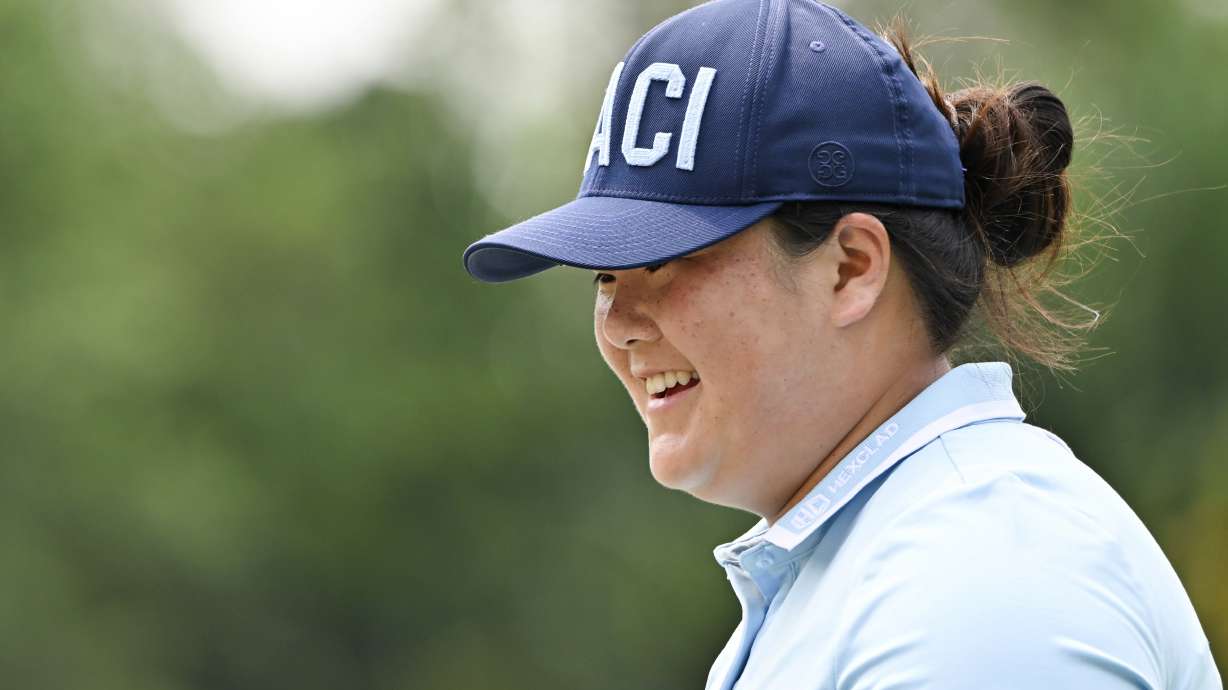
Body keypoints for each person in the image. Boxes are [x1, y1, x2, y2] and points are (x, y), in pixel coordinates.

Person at [461, 0, 1224, 687]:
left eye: (664, 259)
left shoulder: (977, 578)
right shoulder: (892, 554)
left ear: (851, 268)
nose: (620, 322)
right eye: (604, 275)